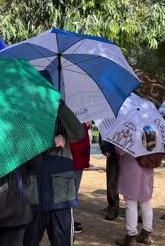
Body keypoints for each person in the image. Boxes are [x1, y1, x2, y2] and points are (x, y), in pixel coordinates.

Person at [23, 101, 86, 246]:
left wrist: (61, 106)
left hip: (60, 194)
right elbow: (21, 145)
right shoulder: (27, 111)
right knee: (29, 241)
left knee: (62, 242)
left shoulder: (62, 114)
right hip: (34, 191)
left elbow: (78, 133)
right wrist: (51, 142)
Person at [115, 147, 154, 246]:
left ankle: (131, 236)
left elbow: (120, 151)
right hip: (147, 166)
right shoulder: (153, 132)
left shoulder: (129, 131)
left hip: (131, 167)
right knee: (145, 202)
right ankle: (147, 233)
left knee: (131, 202)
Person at [69, 122, 91, 233]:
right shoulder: (76, 124)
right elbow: (76, 146)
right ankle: (69, 222)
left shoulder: (81, 124)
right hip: (75, 163)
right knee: (71, 194)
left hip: (78, 162)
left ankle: (71, 219)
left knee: (73, 192)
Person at [98, 134, 120, 221]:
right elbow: (104, 129)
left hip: (131, 155)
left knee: (132, 184)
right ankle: (113, 208)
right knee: (112, 182)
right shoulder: (109, 119)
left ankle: (135, 210)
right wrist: (105, 148)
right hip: (113, 153)